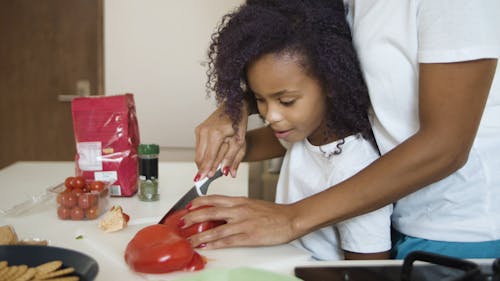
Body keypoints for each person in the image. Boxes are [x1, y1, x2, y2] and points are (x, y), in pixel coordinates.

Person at [186, 0, 500, 259]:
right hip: (401, 213)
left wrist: (292, 218)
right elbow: (314, 65)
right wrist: (237, 105)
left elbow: (446, 145)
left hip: (460, 231)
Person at [192, 0, 392, 260]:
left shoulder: (354, 167)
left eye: (286, 101)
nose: (270, 116)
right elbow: (254, 146)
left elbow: (366, 273)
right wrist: (229, 148)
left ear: (330, 82)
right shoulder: (305, 135)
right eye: (259, 99)